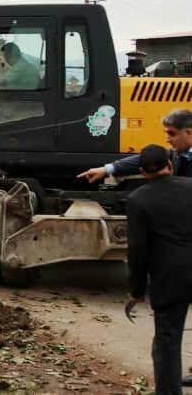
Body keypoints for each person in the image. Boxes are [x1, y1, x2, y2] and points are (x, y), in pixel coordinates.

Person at [124, 145, 192, 394]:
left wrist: (136, 290)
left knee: (168, 340)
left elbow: (138, 250)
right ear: (170, 165)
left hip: (170, 279)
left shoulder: (137, 199)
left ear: (142, 172)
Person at [78, 109, 192, 182]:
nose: (168, 140)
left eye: (172, 134)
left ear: (188, 132)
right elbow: (145, 159)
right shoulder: (180, 153)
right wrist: (107, 169)